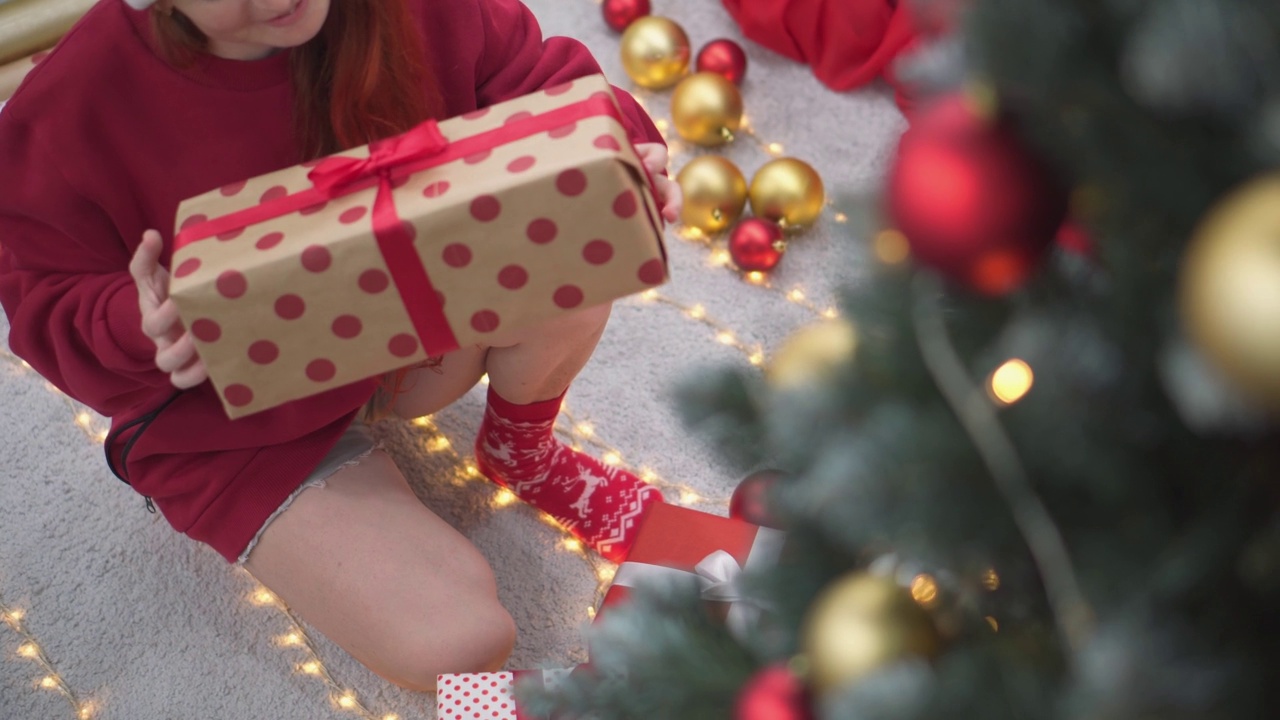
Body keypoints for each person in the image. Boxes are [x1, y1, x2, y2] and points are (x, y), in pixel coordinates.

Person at [0, 0, 681, 692]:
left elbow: (538, 82)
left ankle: (520, 452)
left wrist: (624, 151)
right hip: (232, 419)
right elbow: (43, 293)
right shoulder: (73, 107)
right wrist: (136, 323)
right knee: (461, 642)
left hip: (400, 328)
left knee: (576, 230)